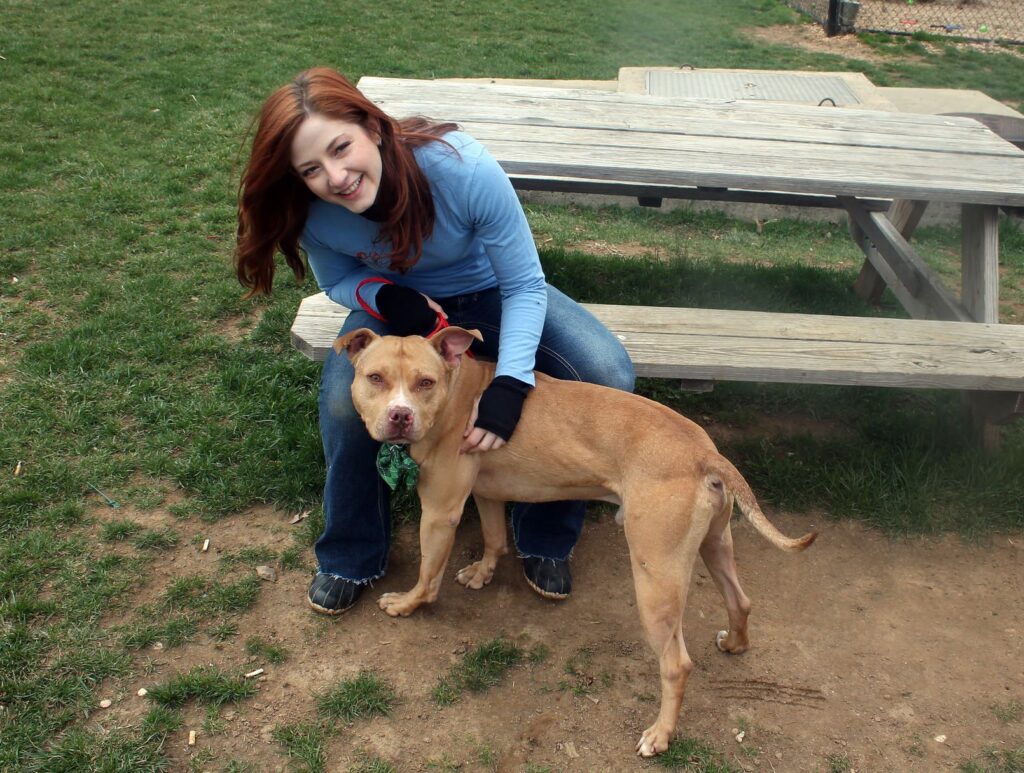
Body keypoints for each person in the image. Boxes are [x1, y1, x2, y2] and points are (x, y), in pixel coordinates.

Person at [235, 67, 635, 615]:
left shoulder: (461, 168)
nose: (336, 176)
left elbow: (523, 284)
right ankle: (352, 554)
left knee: (606, 371)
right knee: (342, 403)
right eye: (311, 169)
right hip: (400, 309)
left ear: (372, 127)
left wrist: (511, 384)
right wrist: (384, 296)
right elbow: (336, 281)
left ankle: (543, 537)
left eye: (340, 148)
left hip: (493, 289)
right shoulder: (311, 212)